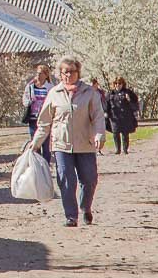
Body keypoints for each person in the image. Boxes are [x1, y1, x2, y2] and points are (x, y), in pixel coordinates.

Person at [29, 57, 106, 227]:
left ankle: (85, 207)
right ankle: (71, 216)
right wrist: (36, 143)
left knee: (90, 179)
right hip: (61, 145)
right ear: (59, 74)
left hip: (85, 144)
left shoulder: (89, 93)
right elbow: (44, 122)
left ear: (78, 73)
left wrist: (100, 134)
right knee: (66, 180)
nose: (68, 75)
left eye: (71, 72)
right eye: (64, 72)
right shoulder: (54, 94)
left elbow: (98, 117)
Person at [21, 63, 54, 163]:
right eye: (37, 73)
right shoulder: (31, 86)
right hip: (33, 118)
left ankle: (46, 165)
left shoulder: (50, 87)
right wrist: (29, 102)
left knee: (46, 144)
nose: (38, 75)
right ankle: (38, 166)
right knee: (35, 143)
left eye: (41, 73)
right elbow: (25, 99)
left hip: (45, 118)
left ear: (46, 75)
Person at [106, 76, 140, 155]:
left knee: (125, 133)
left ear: (123, 84)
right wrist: (106, 112)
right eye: (116, 83)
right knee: (115, 133)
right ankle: (117, 149)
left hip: (125, 116)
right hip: (114, 117)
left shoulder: (128, 92)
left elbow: (135, 100)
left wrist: (129, 99)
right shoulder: (111, 93)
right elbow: (106, 104)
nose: (117, 85)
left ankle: (125, 149)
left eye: (119, 83)